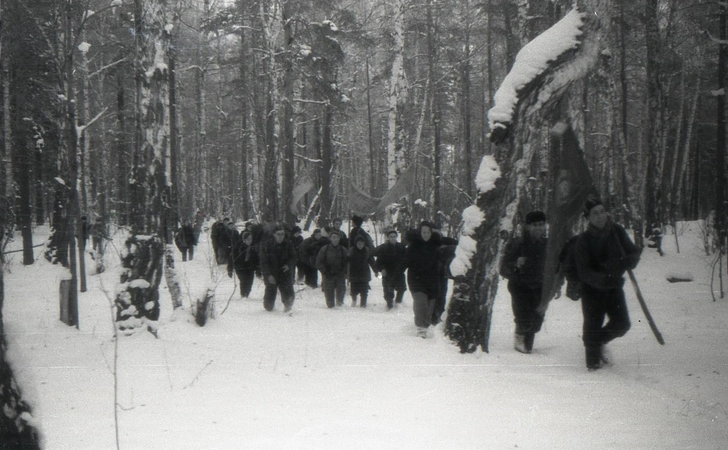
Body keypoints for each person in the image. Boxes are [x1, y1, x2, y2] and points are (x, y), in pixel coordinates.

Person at [574, 198, 641, 371]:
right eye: (595, 213)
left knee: (622, 324)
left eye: (602, 211)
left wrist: (627, 261)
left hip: (614, 288)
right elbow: (584, 271)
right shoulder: (584, 240)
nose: (600, 216)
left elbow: (633, 253)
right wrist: (602, 279)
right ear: (587, 218)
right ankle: (592, 365)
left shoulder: (616, 232)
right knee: (592, 326)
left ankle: (598, 342)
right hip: (592, 291)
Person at [499, 211, 548, 354]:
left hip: (539, 287)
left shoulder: (547, 244)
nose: (538, 228)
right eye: (534, 225)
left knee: (536, 321)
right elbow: (503, 269)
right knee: (523, 318)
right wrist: (516, 264)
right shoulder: (518, 244)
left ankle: (527, 346)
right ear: (527, 226)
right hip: (520, 286)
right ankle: (519, 341)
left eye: (541, 224)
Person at [398, 221, 443, 338]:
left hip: (431, 280)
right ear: (420, 232)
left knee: (429, 306)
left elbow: (448, 251)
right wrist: (395, 277)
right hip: (416, 280)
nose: (426, 234)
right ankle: (420, 328)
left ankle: (425, 326)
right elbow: (404, 262)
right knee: (420, 302)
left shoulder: (436, 246)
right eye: (424, 232)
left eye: (428, 232)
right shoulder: (413, 246)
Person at [259, 226, 297, 312]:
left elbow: (294, 257)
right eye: (278, 234)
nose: (281, 236)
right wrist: (268, 275)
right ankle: (269, 307)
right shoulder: (267, 245)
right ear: (274, 235)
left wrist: (288, 265)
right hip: (271, 272)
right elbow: (264, 262)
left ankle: (288, 307)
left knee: (288, 292)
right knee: (269, 299)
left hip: (284, 272)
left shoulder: (288, 244)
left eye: (282, 234)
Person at [373, 229, 407, 309]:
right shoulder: (384, 248)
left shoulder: (401, 247)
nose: (393, 238)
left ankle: (398, 303)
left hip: (399, 272)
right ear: (388, 238)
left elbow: (406, 259)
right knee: (388, 292)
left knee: (401, 288)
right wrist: (382, 269)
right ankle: (389, 306)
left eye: (394, 237)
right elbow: (378, 262)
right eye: (391, 237)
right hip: (388, 273)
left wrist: (403, 268)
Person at [316, 230, 348, 308]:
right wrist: (324, 271)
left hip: (340, 275)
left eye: (337, 237)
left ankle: (339, 308)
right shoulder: (325, 249)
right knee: (329, 300)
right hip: (328, 275)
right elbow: (319, 262)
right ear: (330, 238)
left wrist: (345, 272)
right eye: (333, 237)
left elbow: (347, 262)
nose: (335, 239)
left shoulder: (343, 250)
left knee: (340, 297)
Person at [228, 231, 260, 298]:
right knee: (243, 280)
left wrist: (258, 270)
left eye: (251, 239)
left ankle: (246, 294)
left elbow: (257, 260)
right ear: (244, 240)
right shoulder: (238, 247)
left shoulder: (253, 248)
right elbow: (232, 258)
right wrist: (230, 269)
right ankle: (243, 295)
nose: (250, 241)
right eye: (248, 239)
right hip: (240, 268)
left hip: (250, 268)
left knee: (250, 282)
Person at [348, 235, 374, 307]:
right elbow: (347, 261)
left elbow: (371, 261)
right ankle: (354, 300)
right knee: (353, 290)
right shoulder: (351, 250)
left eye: (362, 244)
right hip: (354, 273)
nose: (360, 245)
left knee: (364, 291)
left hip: (364, 273)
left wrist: (376, 270)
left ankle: (363, 304)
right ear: (356, 243)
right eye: (359, 244)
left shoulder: (367, 251)